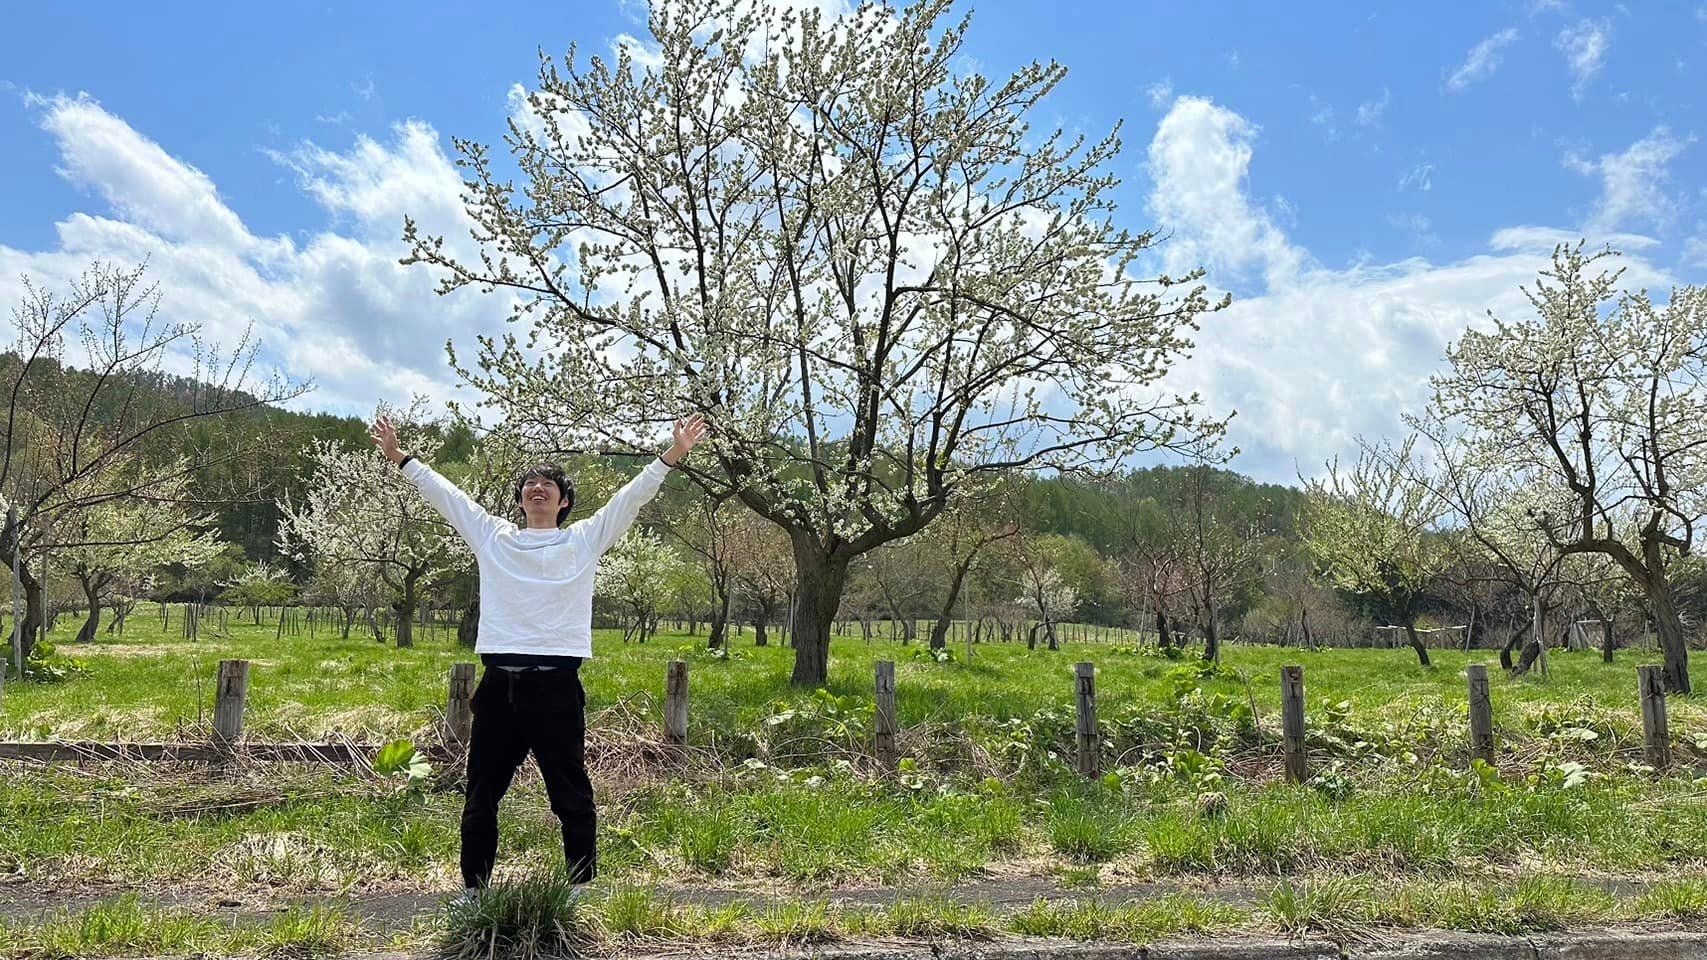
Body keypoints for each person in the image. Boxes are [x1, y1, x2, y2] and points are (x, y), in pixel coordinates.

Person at [368, 412, 708, 898]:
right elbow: (448, 496)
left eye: (549, 484)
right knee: (481, 794)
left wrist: (673, 454)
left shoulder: (584, 540)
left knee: (571, 794)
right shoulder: (493, 537)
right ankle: (474, 895)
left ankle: (579, 891)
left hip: (556, 687)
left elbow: (630, 498)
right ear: (521, 500)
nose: (538, 489)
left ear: (564, 501)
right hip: (499, 687)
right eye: (530, 484)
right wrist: (399, 457)